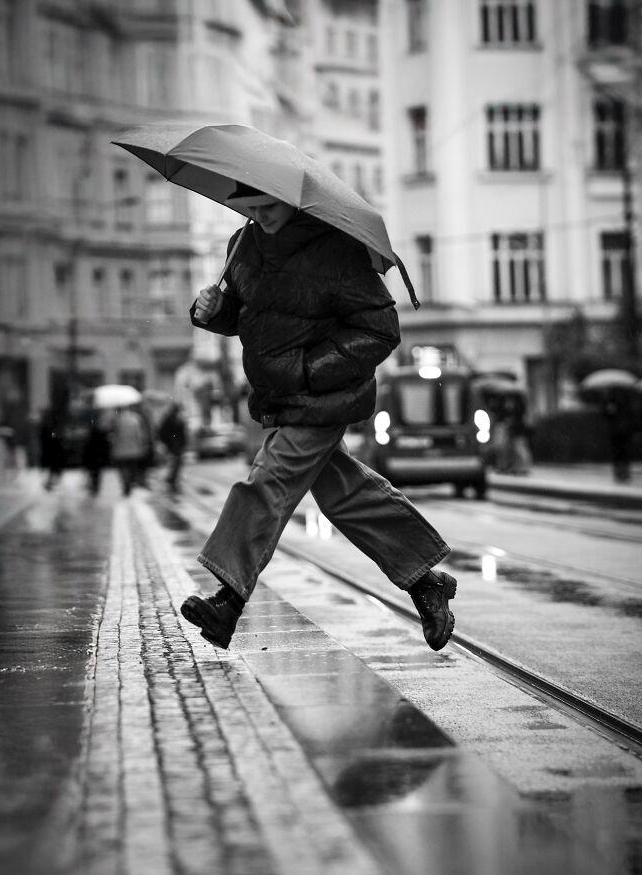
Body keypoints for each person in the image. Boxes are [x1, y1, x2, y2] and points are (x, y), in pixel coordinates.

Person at [180, 183, 456, 652]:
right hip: (278, 396)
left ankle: (228, 601)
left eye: (270, 205)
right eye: (251, 207)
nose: (261, 215)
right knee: (343, 493)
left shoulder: (335, 249)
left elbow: (381, 329)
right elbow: (246, 314)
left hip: (323, 396)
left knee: (266, 483)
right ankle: (426, 581)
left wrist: (311, 370)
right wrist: (212, 311)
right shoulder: (242, 246)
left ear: (293, 200)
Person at [110, 406, 149, 496]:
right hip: (134, 450)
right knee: (132, 468)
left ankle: (125, 482)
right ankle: (129, 482)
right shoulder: (136, 418)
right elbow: (140, 435)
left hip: (120, 450)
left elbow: (113, 435)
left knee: (123, 468)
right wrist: (142, 445)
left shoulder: (116, 419)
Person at [600, 388, 636, 483]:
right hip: (616, 431)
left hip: (622, 431)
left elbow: (631, 415)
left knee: (623, 452)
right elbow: (605, 414)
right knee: (619, 452)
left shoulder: (625, 400)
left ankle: (623, 472)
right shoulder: (610, 400)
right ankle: (620, 472)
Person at [157, 402, 187, 493]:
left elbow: (182, 434)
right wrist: (169, 442)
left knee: (176, 464)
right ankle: (171, 481)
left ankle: (172, 481)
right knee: (175, 464)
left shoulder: (176, 419)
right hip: (174, 446)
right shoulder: (171, 420)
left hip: (176, 446)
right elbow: (163, 433)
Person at [82, 411, 111, 495]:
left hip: (92, 456)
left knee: (93, 472)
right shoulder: (102, 433)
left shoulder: (90, 434)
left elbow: (87, 446)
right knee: (97, 473)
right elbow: (105, 445)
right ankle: (95, 487)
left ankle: (94, 487)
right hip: (98, 456)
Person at [38, 406, 65, 491]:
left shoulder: (47, 427)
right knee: (52, 466)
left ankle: (51, 480)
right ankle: (52, 480)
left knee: (51, 466)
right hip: (51, 451)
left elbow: (45, 439)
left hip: (50, 451)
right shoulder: (49, 428)